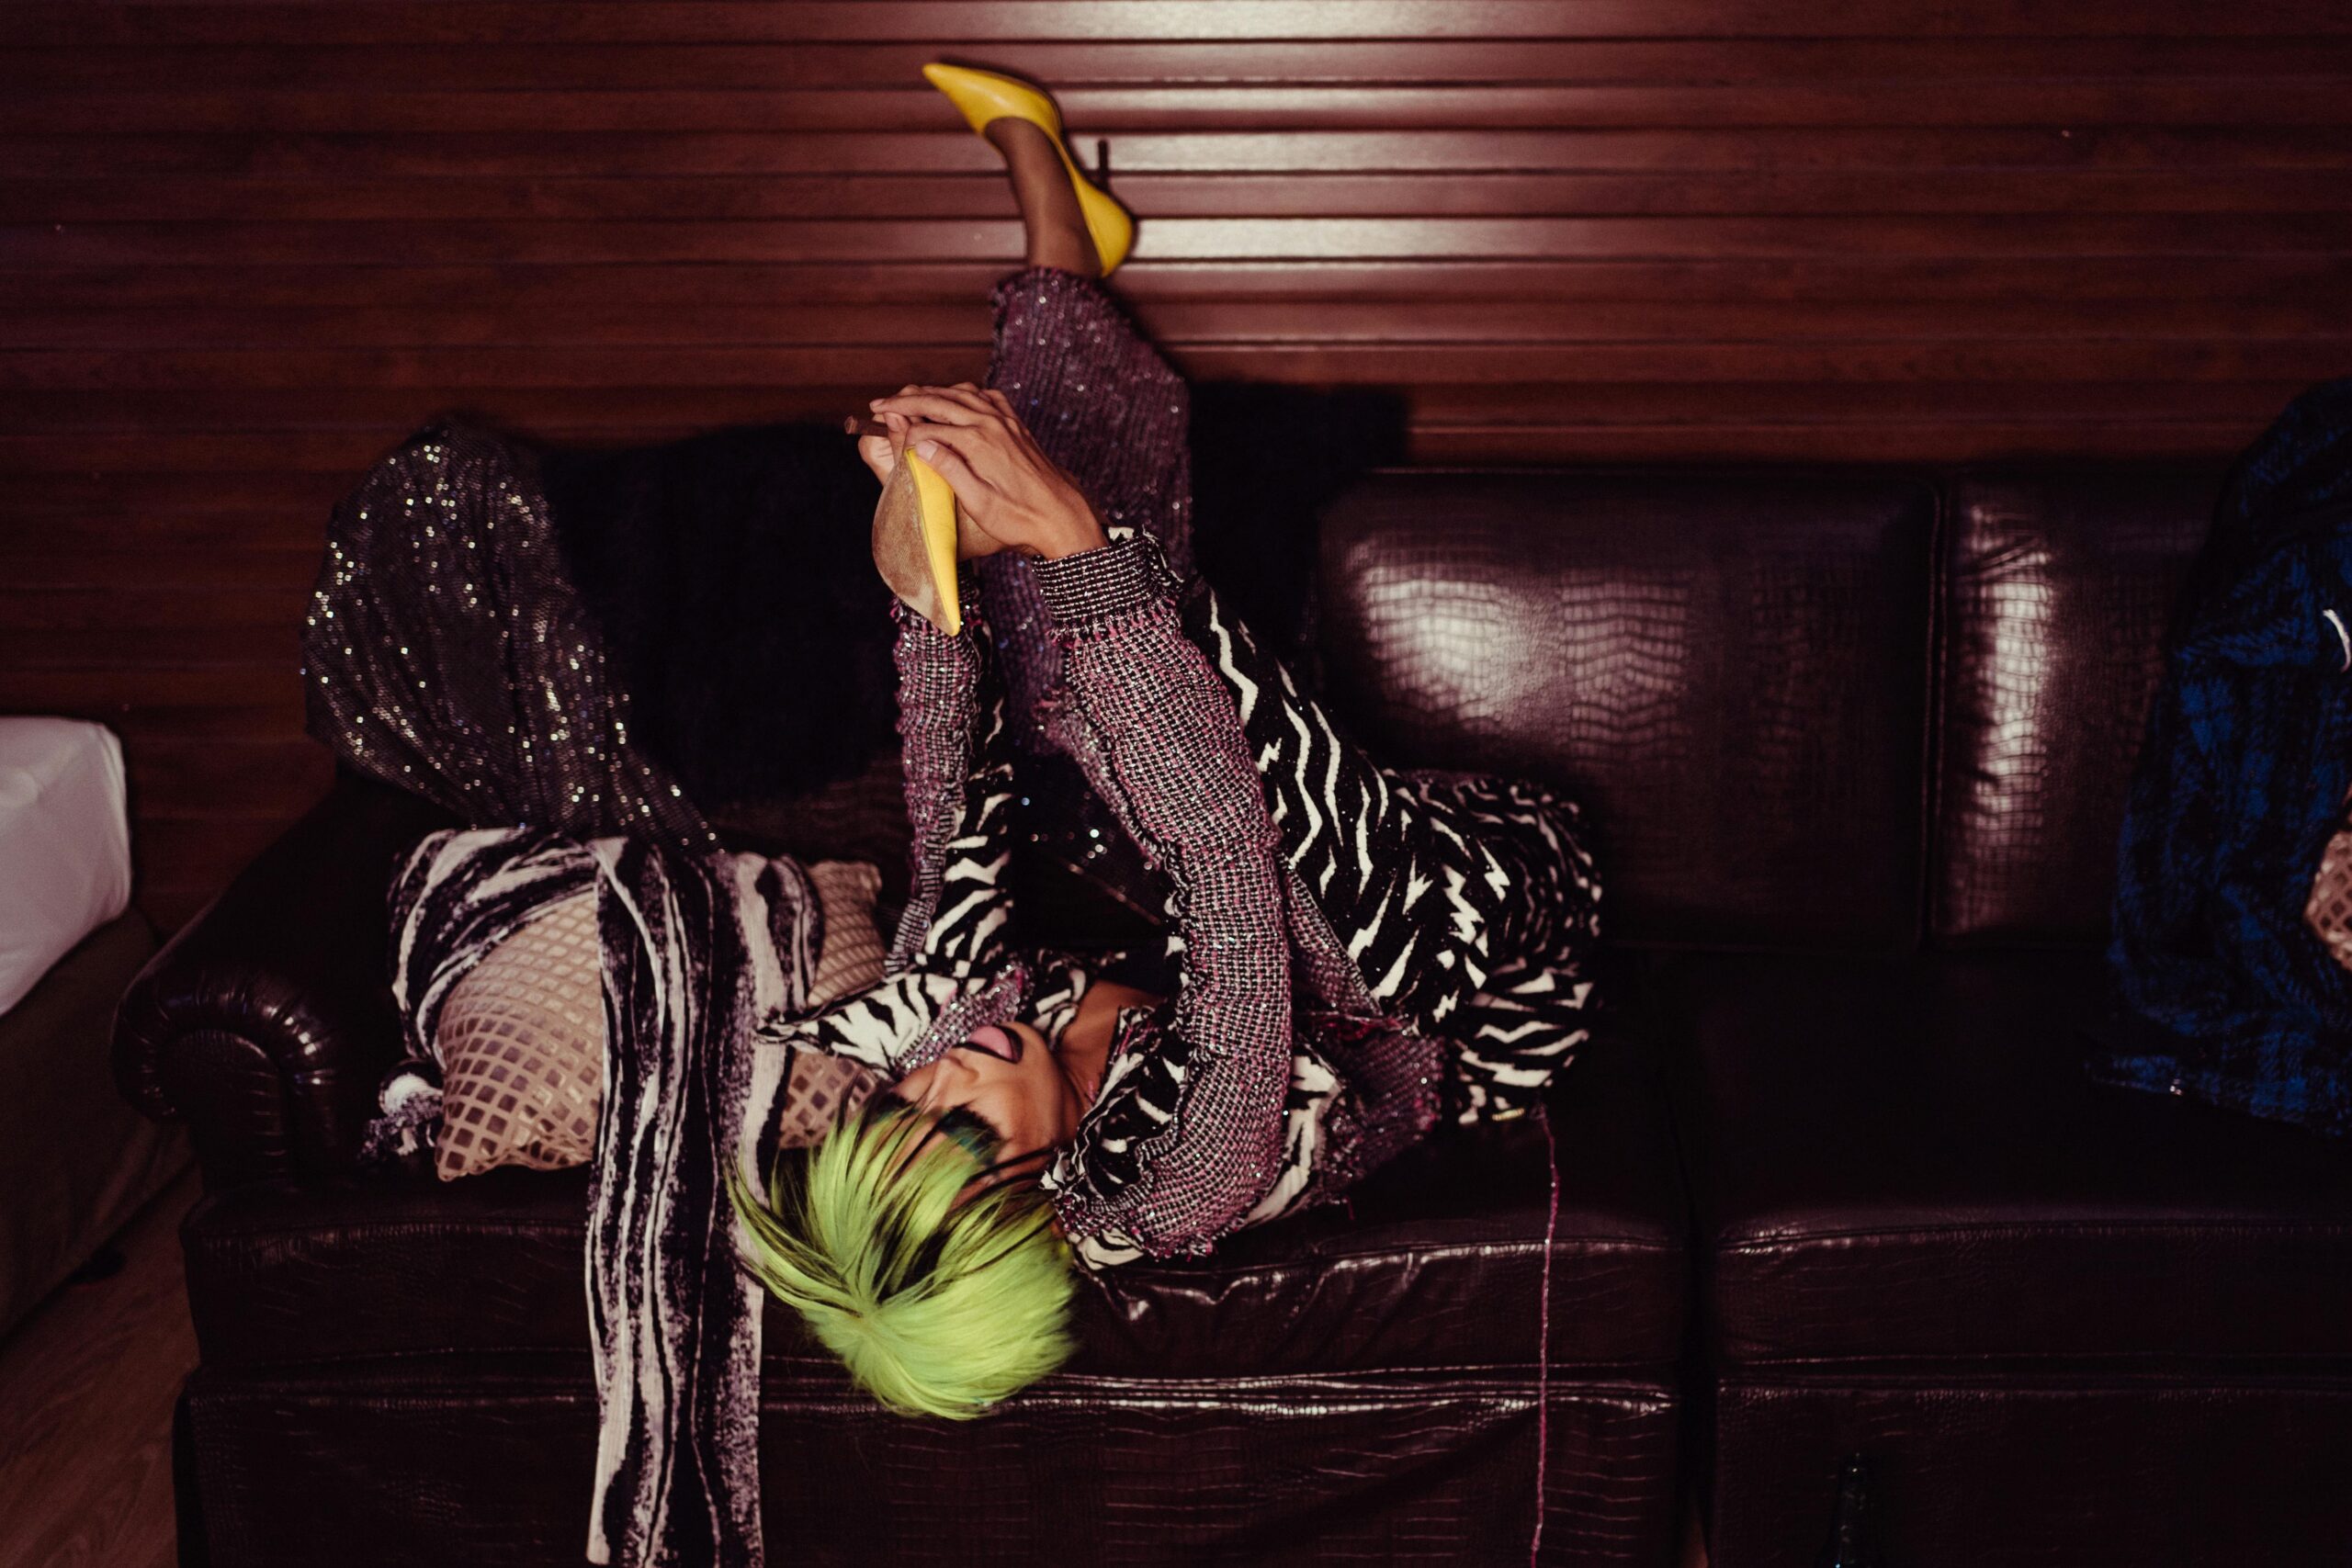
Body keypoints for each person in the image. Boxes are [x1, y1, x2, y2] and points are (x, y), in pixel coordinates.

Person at [730, 63, 1603, 1421]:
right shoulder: (1181, 1181)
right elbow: (1231, 887)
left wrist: (923, 584)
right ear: (1032, 1216)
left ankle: (1064, 247)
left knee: (1046, 684)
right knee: (1308, 893)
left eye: (896, 1110)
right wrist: (1077, 553)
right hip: (1474, 937)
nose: (939, 1075)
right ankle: (1075, 520)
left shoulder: (957, 1050)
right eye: (957, 1131)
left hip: (1347, 832)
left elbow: (954, 827)